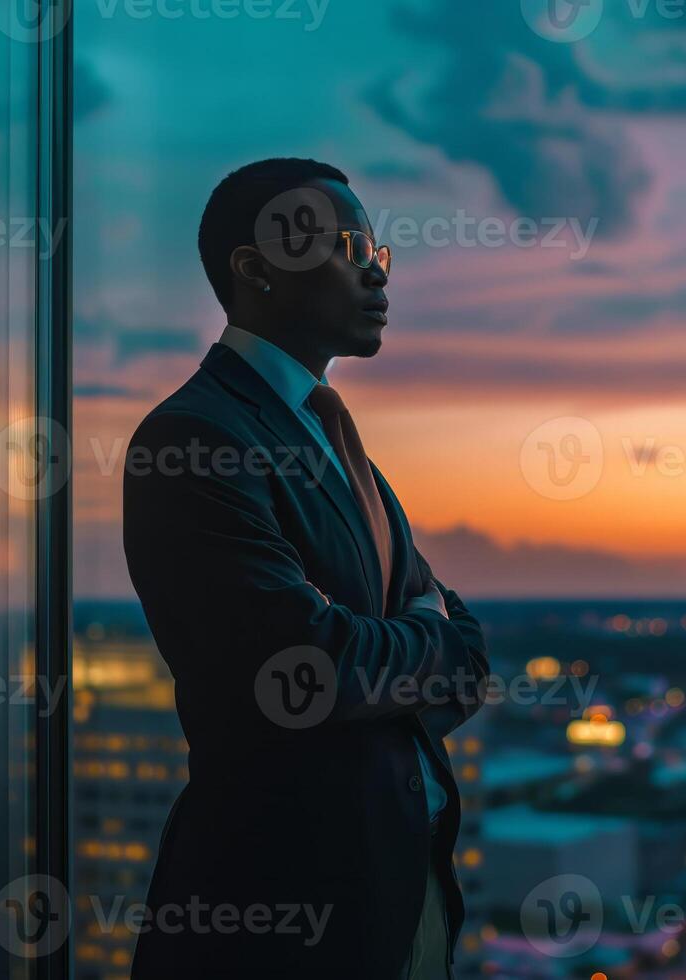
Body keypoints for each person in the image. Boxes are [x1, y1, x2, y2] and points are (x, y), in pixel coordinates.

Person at [123, 157, 489, 979]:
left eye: (380, 252)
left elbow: (468, 654)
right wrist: (414, 647)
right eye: (347, 245)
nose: (374, 269)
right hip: (283, 915)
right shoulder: (195, 439)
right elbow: (306, 665)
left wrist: (394, 652)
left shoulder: (330, 438)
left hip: (403, 896)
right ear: (256, 270)